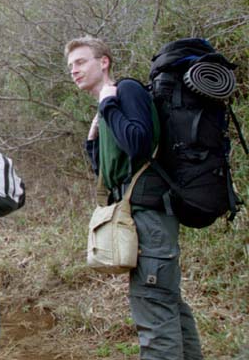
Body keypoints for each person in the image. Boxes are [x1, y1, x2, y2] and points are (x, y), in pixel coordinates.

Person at [65, 36, 203, 360]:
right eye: (70, 66)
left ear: (104, 62)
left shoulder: (126, 91)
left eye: (81, 62)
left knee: (155, 318)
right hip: (142, 220)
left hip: (149, 220)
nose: (74, 70)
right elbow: (114, 171)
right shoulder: (110, 105)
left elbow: (139, 142)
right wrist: (93, 140)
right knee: (168, 307)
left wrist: (109, 105)